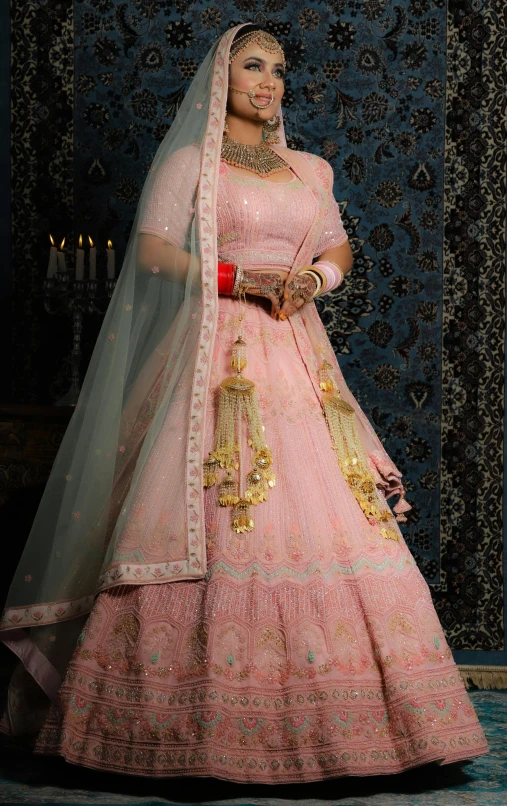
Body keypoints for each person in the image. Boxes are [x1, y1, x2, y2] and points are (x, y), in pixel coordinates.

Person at [0, 23, 488, 783]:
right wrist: (238, 279)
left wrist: (310, 282)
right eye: (252, 66)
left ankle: (364, 728)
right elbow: (157, 251)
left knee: (330, 510)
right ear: (220, 79)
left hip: (298, 352)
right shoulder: (192, 164)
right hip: (216, 353)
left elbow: (338, 248)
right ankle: (178, 731)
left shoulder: (309, 169)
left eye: (279, 71)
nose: (269, 82)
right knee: (210, 503)